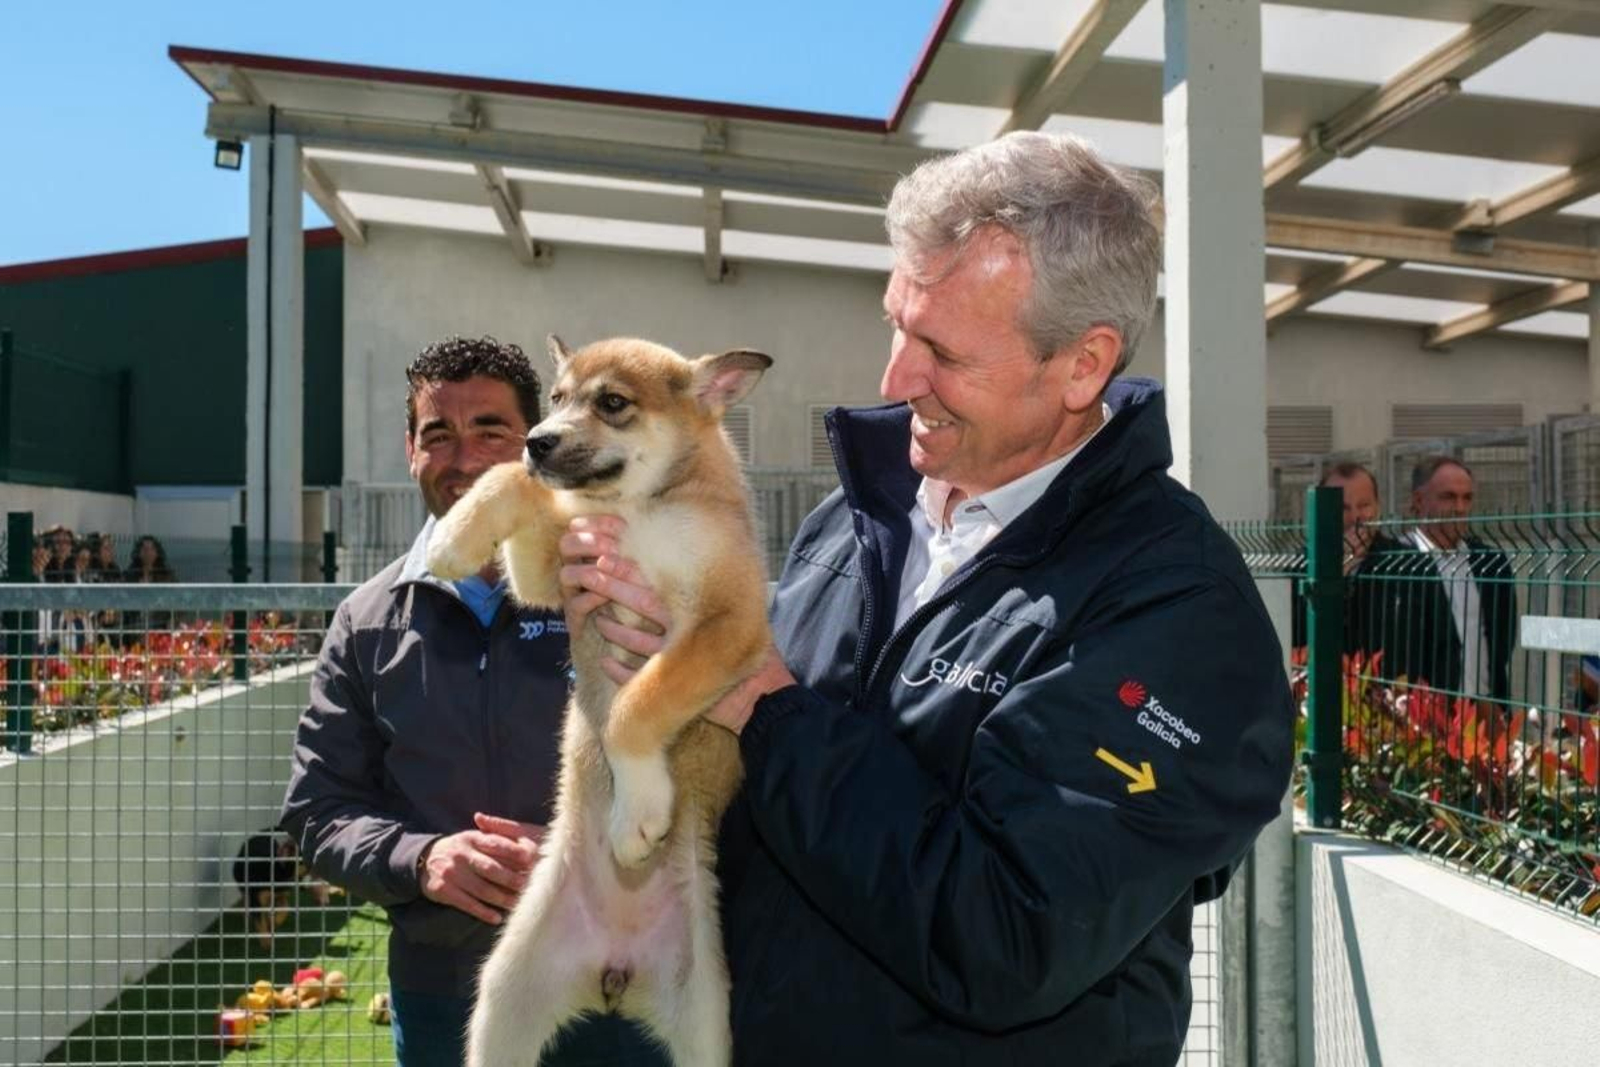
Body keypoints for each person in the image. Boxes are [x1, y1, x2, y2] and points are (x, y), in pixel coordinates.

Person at [562, 132, 1294, 1065]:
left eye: (941, 349)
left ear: (1082, 365)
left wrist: (758, 698)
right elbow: (766, 814)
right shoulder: (857, 520)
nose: (895, 379)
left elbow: (1007, 934)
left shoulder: (1178, 612)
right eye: (896, 322)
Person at [279, 336, 666, 1067]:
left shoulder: (619, 585)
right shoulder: (367, 619)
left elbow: (697, 771)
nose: (465, 459)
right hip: (444, 998)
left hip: (616, 984)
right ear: (409, 450)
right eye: (439, 435)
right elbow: (317, 809)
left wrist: (571, 856)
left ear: (538, 439)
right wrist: (421, 858)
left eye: (491, 429)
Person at [1355, 456, 1517, 702]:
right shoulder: (1393, 565)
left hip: (1484, 709)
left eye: (1467, 498)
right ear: (1419, 501)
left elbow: (1503, 639)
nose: (1460, 508)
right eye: (1448, 497)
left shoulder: (1489, 562)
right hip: (1421, 714)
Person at [1291, 461, 1401, 650]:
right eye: (1343, 508)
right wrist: (1334, 572)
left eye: (1364, 505)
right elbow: (1296, 634)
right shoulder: (1301, 564)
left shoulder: (1402, 560)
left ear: (1377, 507)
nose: (1355, 517)